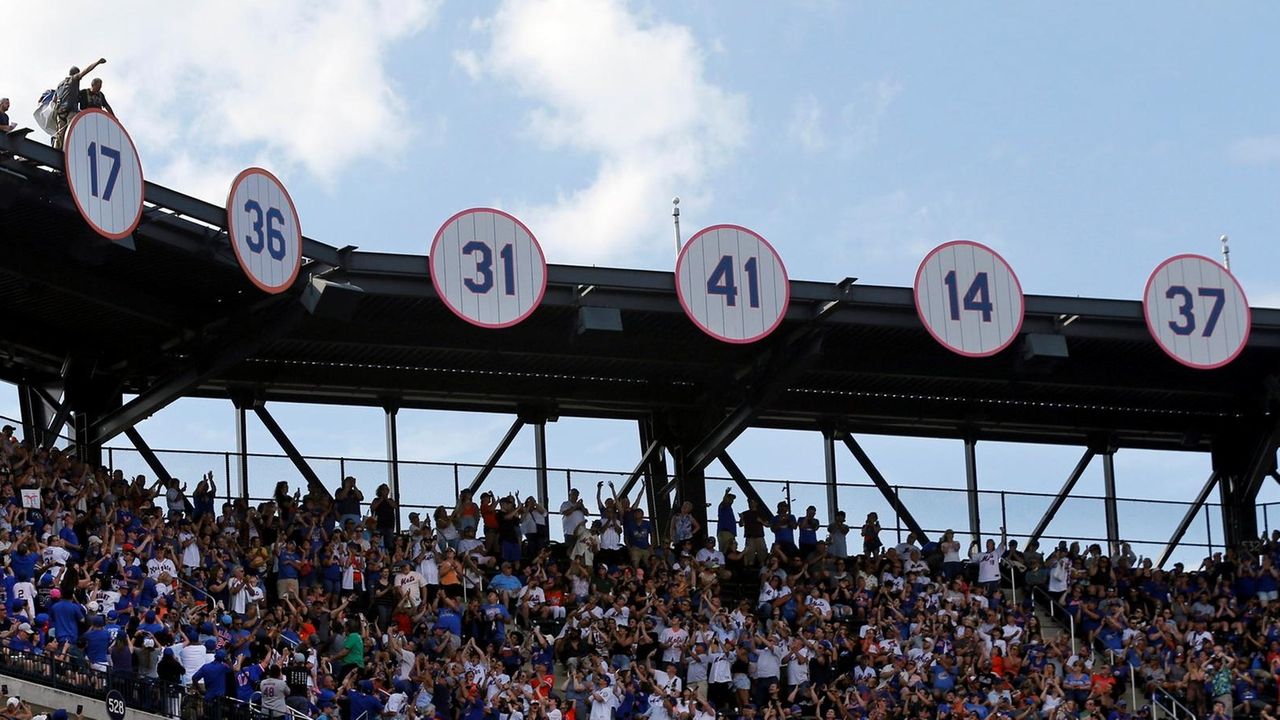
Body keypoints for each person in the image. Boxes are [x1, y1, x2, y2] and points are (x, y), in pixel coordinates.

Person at [53, 58, 105, 148]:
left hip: (60, 112)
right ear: (75, 73)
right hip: (70, 112)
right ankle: (70, 151)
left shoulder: (60, 84)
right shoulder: (74, 79)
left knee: (60, 135)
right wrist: (97, 63)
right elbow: (86, 70)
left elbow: (54, 99)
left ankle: (56, 151)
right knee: (72, 133)